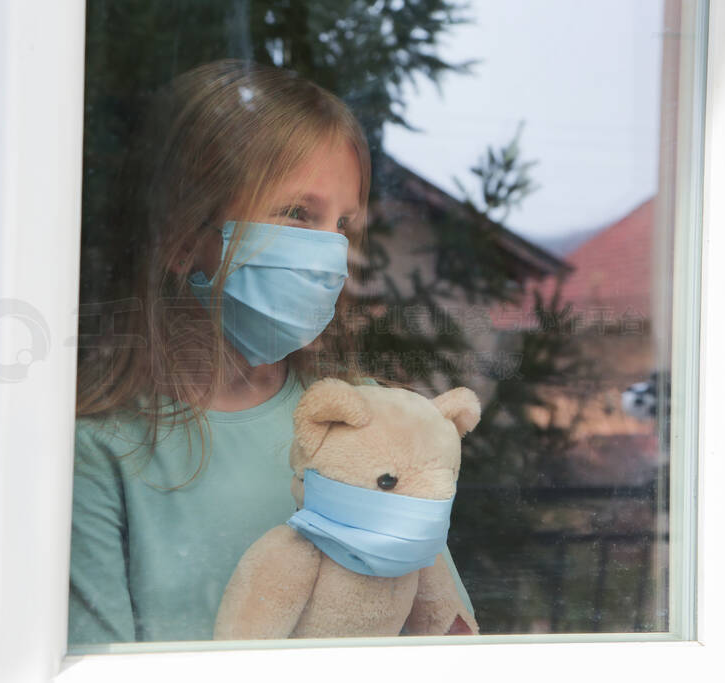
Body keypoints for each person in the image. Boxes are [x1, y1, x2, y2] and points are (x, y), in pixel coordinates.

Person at [68, 59, 472, 645]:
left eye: (341, 225)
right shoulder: (100, 450)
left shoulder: (371, 419)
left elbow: (443, 629)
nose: (329, 253)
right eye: (296, 215)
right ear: (184, 242)